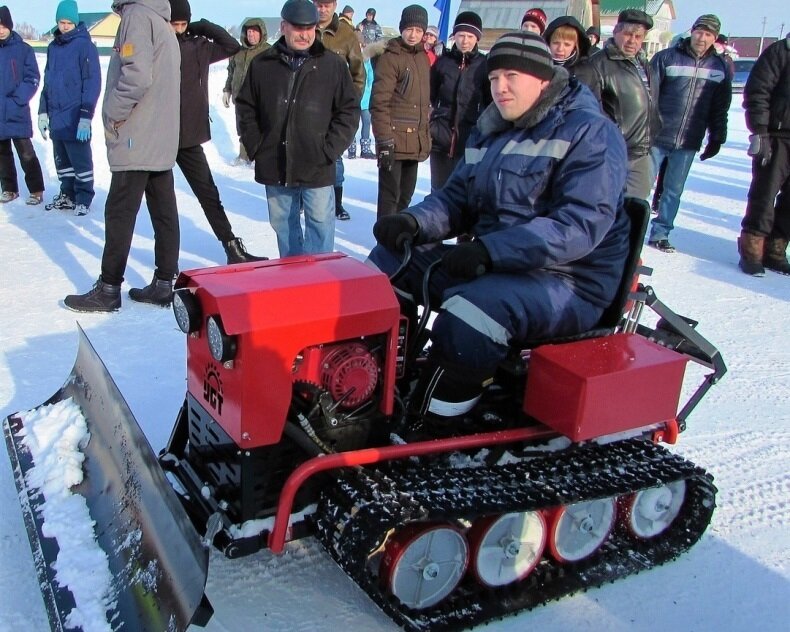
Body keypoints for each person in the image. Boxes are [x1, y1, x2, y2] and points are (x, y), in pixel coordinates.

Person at [367, 31, 629, 433]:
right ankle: (377, 384)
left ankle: (437, 425)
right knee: (386, 266)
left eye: (510, 76)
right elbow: (458, 199)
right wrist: (414, 222)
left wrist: (490, 251)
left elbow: (579, 224)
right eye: (492, 78)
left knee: (471, 312)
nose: (499, 87)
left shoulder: (589, 133)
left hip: (567, 278)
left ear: (543, 79)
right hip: (501, 262)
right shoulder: (492, 127)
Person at [64, 0, 181, 312]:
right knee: (163, 209)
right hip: (159, 134)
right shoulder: (160, 21)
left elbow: (137, 76)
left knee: (119, 212)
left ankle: (109, 287)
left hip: (136, 133)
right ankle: (164, 282)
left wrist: (112, 112)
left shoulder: (137, 16)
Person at [235, 0, 359, 258]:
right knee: (284, 225)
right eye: (297, 27)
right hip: (274, 161)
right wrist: (257, 144)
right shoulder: (262, 64)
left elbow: (348, 110)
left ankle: (318, 281)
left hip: (318, 162)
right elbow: (246, 106)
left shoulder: (332, 65)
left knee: (320, 225)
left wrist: (330, 149)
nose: (304, 34)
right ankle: (293, 281)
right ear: (283, 27)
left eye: (310, 27)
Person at [169, 0, 265, 264]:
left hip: (188, 136)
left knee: (209, 194)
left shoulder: (198, 46)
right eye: (173, 24)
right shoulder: (160, 46)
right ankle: (165, 268)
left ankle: (232, 248)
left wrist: (202, 26)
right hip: (159, 136)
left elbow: (231, 46)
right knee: (161, 204)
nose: (178, 30)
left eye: (183, 24)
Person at [647, 14, 732, 253]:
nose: (701, 38)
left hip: (688, 139)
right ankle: (627, 229)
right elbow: (648, 96)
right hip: (657, 136)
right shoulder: (666, 58)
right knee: (641, 187)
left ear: (714, 38)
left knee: (673, 190)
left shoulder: (720, 67)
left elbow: (720, 107)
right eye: (699, 32)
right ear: (691, 32)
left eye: (708, 35)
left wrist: (717, 137)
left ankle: (660, 233)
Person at [582, 9, 660, 200]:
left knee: (635, 212)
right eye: (627, 34)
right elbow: (589, 109)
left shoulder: (644, 64)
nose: (632, 40)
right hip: (612, 153)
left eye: (638, 36)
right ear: (616, 32)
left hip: (642, 152)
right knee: (605, 210)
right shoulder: (598, 64)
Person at [38, 0, 100, 216]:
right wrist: (43, 111)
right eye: (61, 22)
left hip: (76, 117)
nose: (64, 26)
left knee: (80, 160)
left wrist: (86, 115)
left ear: (75, 22)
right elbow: (48, 82)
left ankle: (83, 197)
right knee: (62, 161)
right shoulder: (53, 47)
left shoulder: (85, 46)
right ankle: (67, 194)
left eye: (68, 22)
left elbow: (92, 82)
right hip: (57, 116)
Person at [370, 4, 431, 217]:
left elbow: (423, 104)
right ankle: (384, 245)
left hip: (414, 141)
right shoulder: (391, 57)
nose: (413, 35)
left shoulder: (423, 58)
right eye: (409, 29)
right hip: (394, 140)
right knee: (390, 197)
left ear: (424, 33)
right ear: (401, 28)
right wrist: (385, 141)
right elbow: (379, 102)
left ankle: (397, 240)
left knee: (406, 196)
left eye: (418, 30)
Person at [739, 32, 790, 276]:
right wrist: (759, 131)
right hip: (777, 135)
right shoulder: (780, 52)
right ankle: (752, 250)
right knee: (764, 194)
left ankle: (776, 249)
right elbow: (758, 91)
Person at [314, 0, 367, 221]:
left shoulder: (346, 33)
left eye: (327, 4)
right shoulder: (304, 27)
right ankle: (302, 201)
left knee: (334, 158)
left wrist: (348, 107)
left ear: (334, 5)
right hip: (307, 108)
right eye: (318, 4)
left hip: (334, 110)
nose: (322, 9)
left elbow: (358, 75)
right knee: (303, 155)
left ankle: (336, 203)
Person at [429, 11, 489, 192]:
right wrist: (433, 121)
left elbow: (490, 101)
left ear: (477, 38)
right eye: (461, 35)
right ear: (454, 36)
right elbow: (430, 95)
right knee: (439, 190)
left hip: (472, 138)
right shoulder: (442, 63)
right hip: (442, 137)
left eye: (470, 36)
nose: (465, 40)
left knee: (467, 190)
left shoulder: (485, 65)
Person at [0, 6, 45, 206]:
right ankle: (9, 189)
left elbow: (32, 77)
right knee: (2, 155)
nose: (0, 29)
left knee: (26, 152)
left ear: (10, 25)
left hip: (17, 110)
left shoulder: (23, 49)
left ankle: (36, 190)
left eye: (3, 25)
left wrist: (18, 99)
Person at [222, 18, 270, 166]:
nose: (251, 35)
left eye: (255, 31)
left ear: (261, 33)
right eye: (249, 32)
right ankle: (243, 156)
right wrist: (227, 90)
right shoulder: (238, 52)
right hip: (240, 98)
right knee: (242, 127)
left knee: (261, 128)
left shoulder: (269, 52)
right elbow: (231, 71)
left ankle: (259, 157)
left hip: (260, 99)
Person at [543, 15, 593, 81]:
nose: (560, 49)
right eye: (556, 43)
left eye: (567, 45)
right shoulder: (538, 65)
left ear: (575, 46)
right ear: (548, 42)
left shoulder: (585, 72)